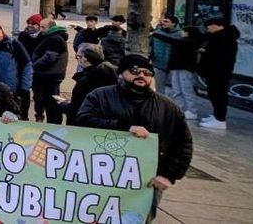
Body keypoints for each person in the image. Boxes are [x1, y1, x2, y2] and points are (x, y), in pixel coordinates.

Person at [75, 54, 193, 211]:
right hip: (98, 176)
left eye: (147, 72)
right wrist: (125, 128)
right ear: (121, 73)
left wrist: (169, 175)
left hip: (146, 181)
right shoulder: (100, 96)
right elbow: (84, 121)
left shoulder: (168, 107)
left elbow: (183, 143)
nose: (141, 75)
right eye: (135, 70)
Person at [0, 19, 33, 120]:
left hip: (14, 90)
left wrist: (25, 87)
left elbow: (27, 65)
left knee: (18, 118)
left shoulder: (14, 44)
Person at [195, 17, 240, 130]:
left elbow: (218, 57)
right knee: (213, 93)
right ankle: (216, 116)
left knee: (218, 95)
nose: (208, 30)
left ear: (216, 26)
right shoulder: (219, 37)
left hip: (219, 72)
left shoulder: (223, 38)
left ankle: (220, 119)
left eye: (209, 28)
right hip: (215, 72)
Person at [150, 22, 200, 120]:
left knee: (186, 89)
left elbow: (171, 41)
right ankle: (179, 107)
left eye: (184, 31)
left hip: (185, 69)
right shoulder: (183, 40)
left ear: (188, 33)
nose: (182, 32)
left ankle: (192, 111)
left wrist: (157, 34)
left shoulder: (190, 42)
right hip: (176, 68)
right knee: (177, 89)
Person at [59, 44, 117, 123]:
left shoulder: (87, 80)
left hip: (85, 123)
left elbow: (76, 108)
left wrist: (62, 104)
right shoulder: (111, 73)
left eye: (78, 57)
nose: (77, 59)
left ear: (85, 58)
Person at [30, 18, 69, 123]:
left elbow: (49, 57)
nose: (41, 29)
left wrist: (34, 65)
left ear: (51, 27)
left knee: (51, 101)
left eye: (43, 27)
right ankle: (49, 119)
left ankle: (53, 123)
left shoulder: (54, 38)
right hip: (49, 75)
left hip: (48, 75)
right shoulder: (52, 37)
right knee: (47, 100)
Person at [149, 15, 182, 96]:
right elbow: (150, 45)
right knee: (159, 89)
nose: (163, 23)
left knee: (177, 89)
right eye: (162, 21)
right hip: (158, 63)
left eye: (166, 21)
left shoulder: (180, 34)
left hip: (174, 66)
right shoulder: (157, 32)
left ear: (174, 23)